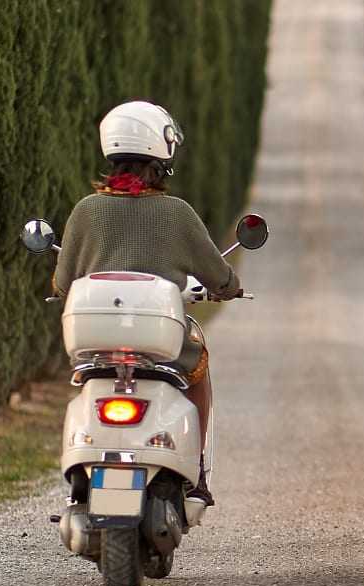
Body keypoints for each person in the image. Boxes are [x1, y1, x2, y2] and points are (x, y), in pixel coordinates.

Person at [52, 101, 239, 505]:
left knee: (86, 381)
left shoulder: (85, 211)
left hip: (97, 344)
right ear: (162, 152)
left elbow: (63, 282)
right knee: (198, 368)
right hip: (161, 344)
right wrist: (228, 286)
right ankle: (198, 472)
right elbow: (218, 275)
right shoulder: (176, 213)